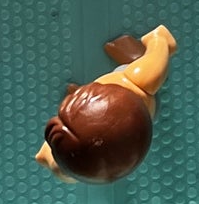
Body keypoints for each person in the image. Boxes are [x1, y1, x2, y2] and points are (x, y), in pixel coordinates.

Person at [38, 26, 177, 184]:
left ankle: (135, 58)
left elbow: (62, 168)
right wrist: (157, 39)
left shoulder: (138, 81)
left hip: (139, 107)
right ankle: (136, 57)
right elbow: (159, 54)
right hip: (145, 105)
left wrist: (54, 160)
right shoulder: (138, 81)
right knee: (141, 75)